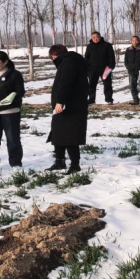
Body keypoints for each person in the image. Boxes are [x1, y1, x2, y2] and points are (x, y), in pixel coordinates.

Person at [47, 44, 89, 174]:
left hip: (70, 105)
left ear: (54, 56)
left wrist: (60, 101)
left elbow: (66, 82)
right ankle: (60, 161)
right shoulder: (71, 61)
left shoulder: (68, 62)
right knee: (58, 133)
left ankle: (75, 165)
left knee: (70, 136)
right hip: (71, 104)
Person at [84, 32, 115, 105]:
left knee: (107, 84)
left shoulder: (107, 45)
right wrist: (86, 68)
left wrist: (111, 66)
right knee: (91, 85)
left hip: (105, 69)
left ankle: (109, 99)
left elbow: (111, 57)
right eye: (93, 37)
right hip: (92, 69)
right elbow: (86, 57)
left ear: (100, 37)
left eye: (97, 37)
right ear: (91, 38)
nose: (95, 38)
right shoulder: (89, 46)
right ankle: (91, 99)